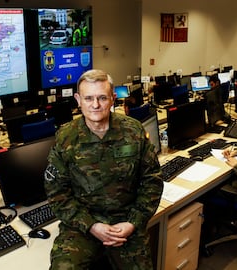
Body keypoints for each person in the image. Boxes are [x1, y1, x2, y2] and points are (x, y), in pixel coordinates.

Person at [44, 69, 163, 269]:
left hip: (125, 221)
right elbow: (57, 194)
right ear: (78, 100)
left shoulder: (133, 131)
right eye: (88, 98)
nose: (95, 105)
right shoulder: (65, 138)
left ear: (113, 98)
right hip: (83, 224)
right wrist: (91, 226)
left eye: (102, 98)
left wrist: (133, 222)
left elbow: (152, 181)